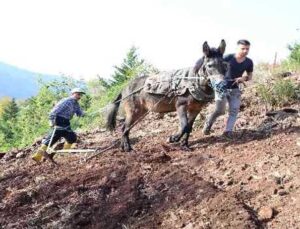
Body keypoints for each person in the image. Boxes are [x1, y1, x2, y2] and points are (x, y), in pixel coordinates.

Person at [202, 39, 254, 138]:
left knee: (234, 110)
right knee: (220, 110)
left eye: (247, 49)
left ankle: (228, 131)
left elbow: (250, 76)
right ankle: (208, 124)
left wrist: (243, 78)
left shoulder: (249, 62)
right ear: (237, 48)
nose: (245, 51)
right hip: (221, 88)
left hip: (235, 89)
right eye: (243, 48)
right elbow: (213, 65)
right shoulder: (227, 57)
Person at [31, 88, 86, 163]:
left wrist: (84, 114)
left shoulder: (76, 104)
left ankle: (64, 153)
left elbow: (79, 113)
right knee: (52, 138)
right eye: (78, 94)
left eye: (80, 95)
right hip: (58, 120)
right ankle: (37, 156)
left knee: (72, 137)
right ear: (73, 94)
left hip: (66, 122)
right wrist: (51, 121)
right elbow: (54, 111)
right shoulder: (66, 101)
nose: (79, 96)